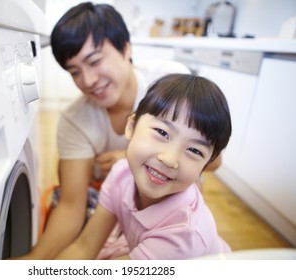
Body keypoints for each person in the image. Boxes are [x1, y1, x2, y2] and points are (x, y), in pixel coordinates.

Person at [17, 2, 218, 260]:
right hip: (118, 204)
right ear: (132, 125)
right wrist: (33, 262)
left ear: (126, 48)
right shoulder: (75, 121)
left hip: (172, 206)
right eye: (74, 71)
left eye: (95, 61)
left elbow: (213, 159)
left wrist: (132, 157)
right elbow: (71, 204)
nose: (88, 81)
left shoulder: (170, 85)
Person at [55, 73, 232, 260]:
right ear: (131, 126)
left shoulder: (182, 235)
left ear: (206, 164)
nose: (169, 159)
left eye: (195, 151)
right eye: (162, 132)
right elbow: (84, 247)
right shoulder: (120, 175)